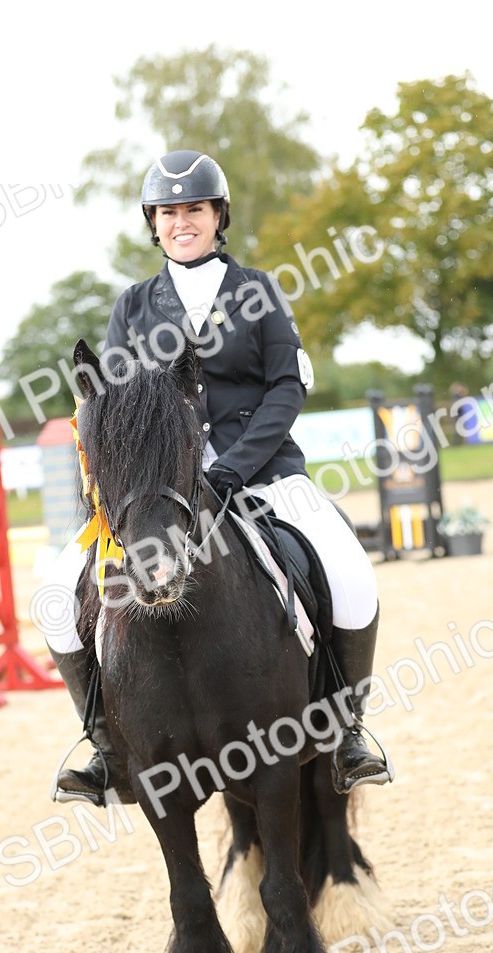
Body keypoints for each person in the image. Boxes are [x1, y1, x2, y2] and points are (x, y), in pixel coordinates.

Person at [46, 149, 394, 803]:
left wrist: (235, 465)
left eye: (195, 210)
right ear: (154, 223)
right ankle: (101, 745)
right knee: (60, 588)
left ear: (217, 215)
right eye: (170, 212)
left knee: (348, 566)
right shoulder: (133, 307)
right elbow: (116, 407)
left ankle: (348, 731)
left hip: (262, 475)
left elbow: (286, 388)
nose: (183, 222)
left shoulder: (258, 293)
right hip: (158, 495)